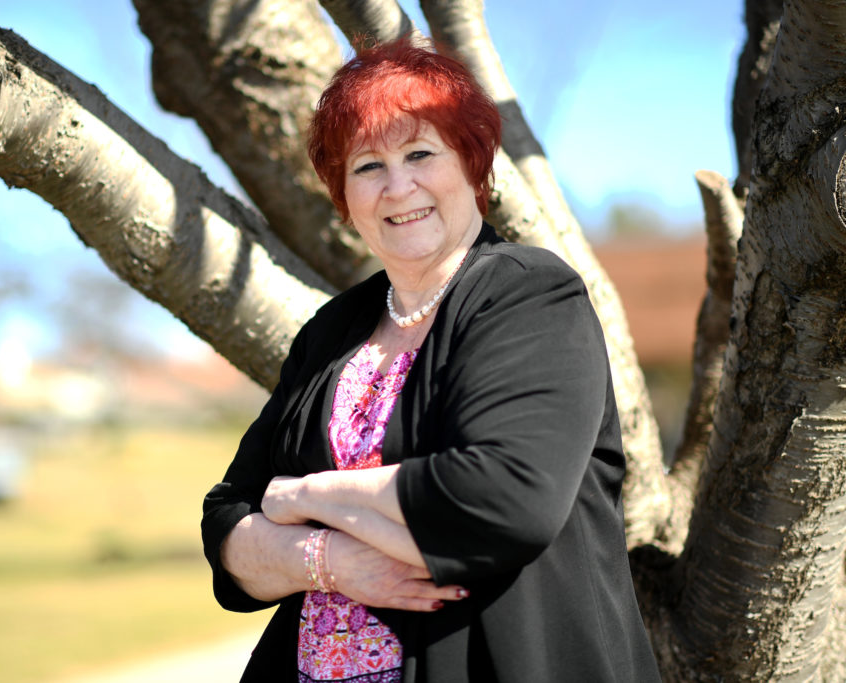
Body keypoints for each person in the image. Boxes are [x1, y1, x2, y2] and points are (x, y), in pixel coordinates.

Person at [202, 37, 660, 682]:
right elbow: (227, 528)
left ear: (473, 166)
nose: (398, 186)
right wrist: (331, 561)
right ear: (343, 193)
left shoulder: (529, 293)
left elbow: (505, 503)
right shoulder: (333, 330)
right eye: (367, 166)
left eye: (420, 153)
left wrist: (304, 495)